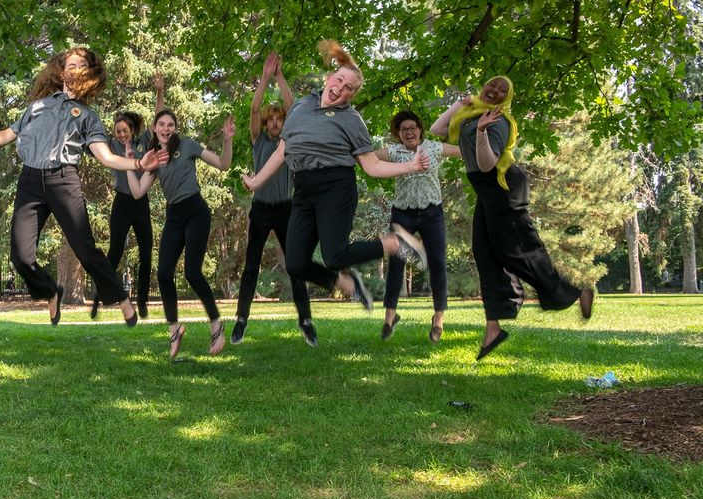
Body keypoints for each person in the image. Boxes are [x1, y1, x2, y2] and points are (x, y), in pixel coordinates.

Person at [0, 47, 167, 326]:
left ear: (89, 75)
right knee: (21, 257)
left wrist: (137, 165)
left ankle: (121, 297)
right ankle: (50, 291)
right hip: (30, 182)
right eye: (70, 65)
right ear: (62, 72)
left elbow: (105, 156)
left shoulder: (87, 116)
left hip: (64, 181)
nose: (75, 70)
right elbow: (7, 134)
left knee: (85, 249)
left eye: (81, 66)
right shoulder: (37, 107)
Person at [242, 40, 429, 347]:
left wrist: (410, 166)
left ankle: (394, 243)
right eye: (339, 81)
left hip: (336, 187)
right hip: (303, 189)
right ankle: (344, 283)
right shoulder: (301, 107)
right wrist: (258, 181)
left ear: (353, 95)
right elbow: (282, 151)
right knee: (296, 263)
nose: (342, 89)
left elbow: (370, 166)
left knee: (334, 255)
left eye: (350, 88)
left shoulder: (351, 120)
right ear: (329, 78)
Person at [430, 76, 594, 360]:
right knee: (484, 253)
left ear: (507, 98)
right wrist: (459, 103)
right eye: (491, 86)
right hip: (487, 190)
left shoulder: (498, 121)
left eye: (502, 90)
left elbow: (487, 163)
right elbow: (437, 128)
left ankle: (574, 292)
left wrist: (482, 132)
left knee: (515, 249)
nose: (494, 92)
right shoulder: (471, 114)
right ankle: (494, 325)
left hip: (503, 185)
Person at [128, 110, 235, 359]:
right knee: (164, 273)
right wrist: (129, 165)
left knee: (192, 272)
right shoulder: (154, 157)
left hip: (196, 211)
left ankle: (216, 324)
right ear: (155, 128)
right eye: (162, 124)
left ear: (175, 128)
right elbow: (137, 192)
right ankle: (174, 330)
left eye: (171, 125)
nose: (166, 128)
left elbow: (223, 164)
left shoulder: (188, 146)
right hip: (174, 216)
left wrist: (227, 140)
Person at [373, 110, 462, 343]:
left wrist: (483, 137)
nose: (409, 132)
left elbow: (464, 151)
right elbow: (368, 157)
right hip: (403, 215)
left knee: (438, 262)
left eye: (412, 128)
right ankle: (390, 315)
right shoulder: (394, 152)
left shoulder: (434, 148)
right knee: (397, 263)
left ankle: (439, 318)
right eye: (404, 130)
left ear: (420, 129)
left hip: (432, 213)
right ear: (398, 134)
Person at [232, 51, 295, 344]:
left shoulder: (289, 141)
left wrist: (279, 77)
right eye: (271, 119)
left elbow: (294, 107)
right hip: (260, 210)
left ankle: (306, 320)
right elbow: (254, 108)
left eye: (278, 118)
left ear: (283, 122)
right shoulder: (258, 141)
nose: (273, 122)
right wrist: (264, 79)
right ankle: (241, 320)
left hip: (285, 209)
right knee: (251, 266)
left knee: (295, 264)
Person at [89, 107, 154, 321]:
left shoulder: (144, 142)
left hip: (140, 203)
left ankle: (142, 301)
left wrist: (160, 91)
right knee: (114, 253)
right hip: (122, 203)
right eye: (118, 131)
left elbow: (157, 119)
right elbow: (93, 144)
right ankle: (99, 296)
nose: (121, 134)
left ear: (132, 130)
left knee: (146, 253)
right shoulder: (113, 145)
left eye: (125, 130)